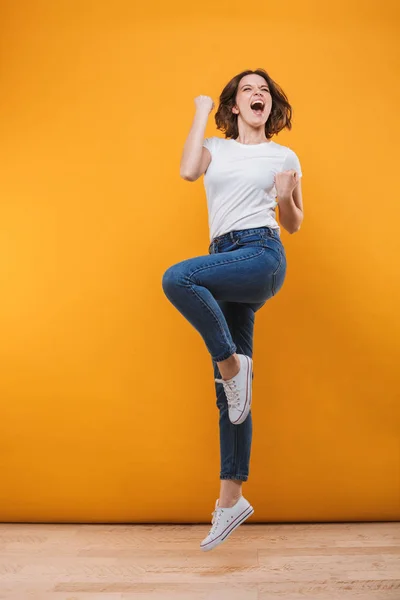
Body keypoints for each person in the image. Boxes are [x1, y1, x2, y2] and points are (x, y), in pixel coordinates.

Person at [162, 68, 304, 551]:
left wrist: (285, 197)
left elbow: (294, 223)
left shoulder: (283, 155)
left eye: (263, 90)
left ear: (270, 105)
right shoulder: (217, 149)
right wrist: (201, 110)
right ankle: (230, 502)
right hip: (224, 256)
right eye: (248, 90)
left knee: (178, 277)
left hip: (262, 254)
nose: (257, 95)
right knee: (232, 398)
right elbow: (186, 170)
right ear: (235, 105)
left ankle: (230, 365)